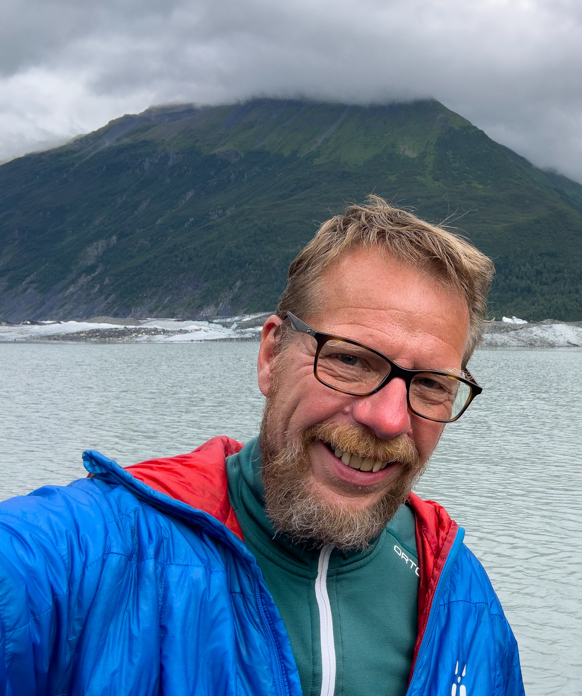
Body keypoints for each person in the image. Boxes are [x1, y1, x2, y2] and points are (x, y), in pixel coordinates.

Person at [0, 197, 525, 696]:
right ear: (272, 353)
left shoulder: (463, 596)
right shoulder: (90, 552)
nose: (389, 420)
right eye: (349, 360)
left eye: (432, 384)